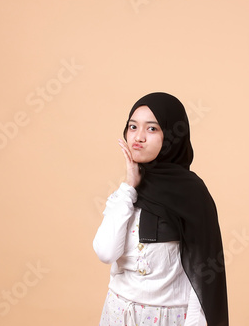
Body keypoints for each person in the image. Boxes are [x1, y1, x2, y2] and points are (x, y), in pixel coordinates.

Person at [93, 92, 229, 326]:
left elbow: (204, 275)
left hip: (167, 318)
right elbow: (106, 253)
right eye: (133, 127)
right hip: (117, 315)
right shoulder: (125, 194)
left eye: (152, 129)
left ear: (172, 136)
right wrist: (128, 187)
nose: (139, 137)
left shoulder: (192, 195)